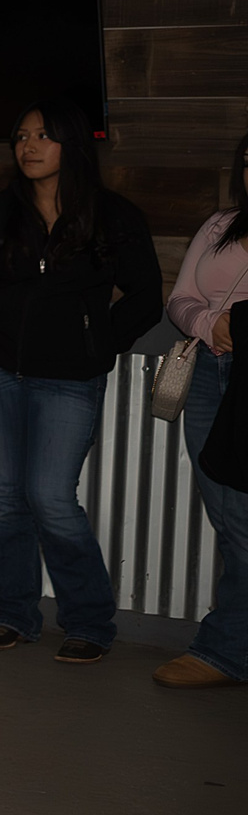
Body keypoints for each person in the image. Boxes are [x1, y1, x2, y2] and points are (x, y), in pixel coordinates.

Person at [0, 102, 161, 663]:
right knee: (6, 500)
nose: (29, 146)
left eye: (43, 136)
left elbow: (146, 297)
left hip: (69, 381)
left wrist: (98, 341)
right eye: (21, 136)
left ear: (72, 144)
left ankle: (89, 622)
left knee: (50, 497)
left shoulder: (112, 214)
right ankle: (12, 614)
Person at [153, 133, 248, 687]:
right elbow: (180, 297)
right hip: (208, 373)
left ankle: (224, 649)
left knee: (241, 522)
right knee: (229, 516)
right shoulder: (220, 225)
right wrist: (210, 323)